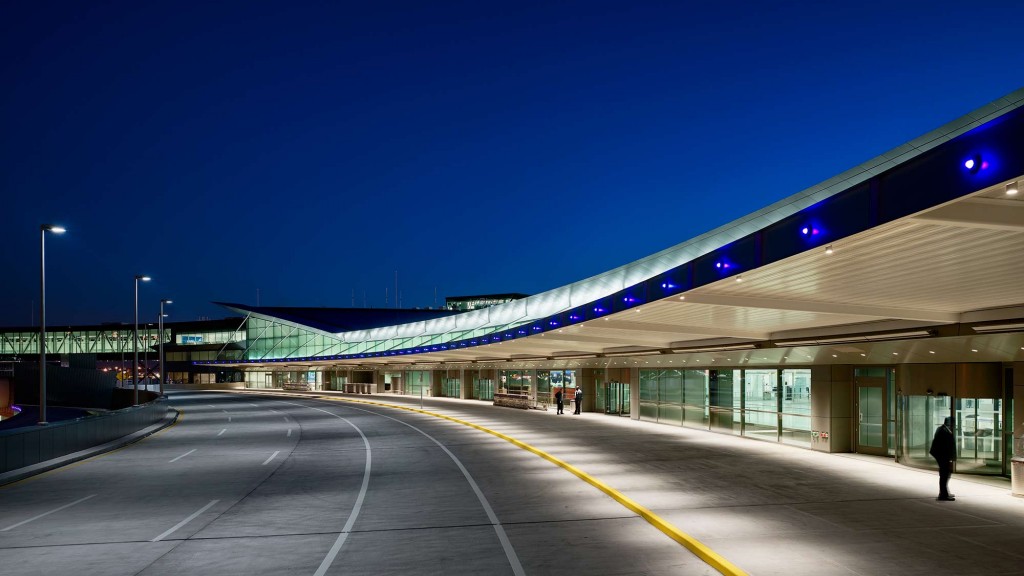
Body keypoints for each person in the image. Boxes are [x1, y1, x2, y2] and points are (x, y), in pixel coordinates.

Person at [929, 416, 956, 501]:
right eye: (953, 424)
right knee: (944, 474)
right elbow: (946, 446)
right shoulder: (945, 432)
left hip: (940, 455)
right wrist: (950, 458)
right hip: (942, 455)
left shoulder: (941, 429)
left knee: (945, 474)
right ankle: (943, 495)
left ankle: (944, 492)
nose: (954, 426)